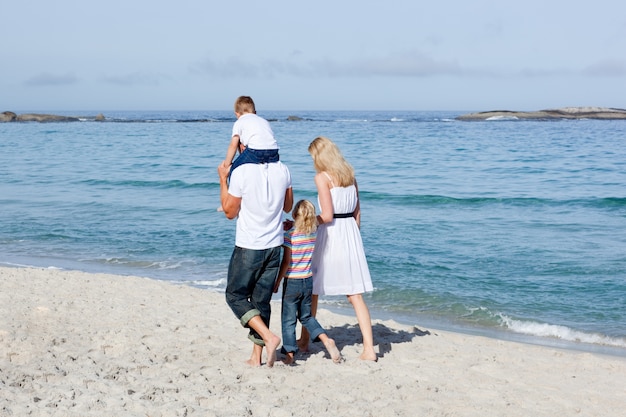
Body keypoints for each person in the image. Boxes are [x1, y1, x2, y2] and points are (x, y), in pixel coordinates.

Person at [217, 134, 293, 367]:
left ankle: (270, 338)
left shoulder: (241, 172)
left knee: (235, 295)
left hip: (250, 245)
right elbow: (288, 206)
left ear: (245, 146)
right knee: (262, 301)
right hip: (274, 246)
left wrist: (223, 180)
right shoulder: (283, 169)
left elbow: (230, 213)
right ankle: (256, 356)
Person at [302, 136, 377, 361]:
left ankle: (304, 341)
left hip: (331, 234)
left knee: (313, 289)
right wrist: (352, 236)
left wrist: (305, 221)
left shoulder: (322, 178)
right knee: (355, 294)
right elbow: (358, 214)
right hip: (350, 233)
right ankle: (370, 349)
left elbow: (326, 215)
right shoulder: (350, 176)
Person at [273, 199, 342, 365]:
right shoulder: (313, 232)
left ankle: (289, 354)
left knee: (288, 319)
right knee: (307, 317)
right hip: (308, 280)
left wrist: (277, 282)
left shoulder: (290, 235)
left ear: (294, 214)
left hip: (292, 282)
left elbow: (287, 262)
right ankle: (326, 340)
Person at [224, 95, 279, 178]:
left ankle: (233, 190)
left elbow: (233, 145)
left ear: (237, 114)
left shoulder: (239, 122)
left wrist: (226, 164)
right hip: (273, 151)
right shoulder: (264, 121)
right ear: (255, 112)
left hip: (255, 151)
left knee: (235, 170)